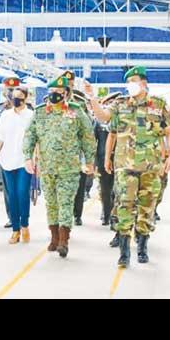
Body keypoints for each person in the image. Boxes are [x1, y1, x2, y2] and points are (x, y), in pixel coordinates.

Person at [86, 66, 170, 268]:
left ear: (144, 83)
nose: (131, 85)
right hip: (125, 166)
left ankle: (142, 247)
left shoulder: (159, 105)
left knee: (147, 208)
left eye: (134, 81)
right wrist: (92, 98)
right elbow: (103, 117)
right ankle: (124, 252)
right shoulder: (120, 105)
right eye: (128, 82)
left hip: (151, 167)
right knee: (124, 206)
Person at [23, 76, 95, 258]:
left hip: (69, 168)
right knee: (51, 204)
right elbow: (29, 135)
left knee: (65, 203)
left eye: (58, 93)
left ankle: (64, 240)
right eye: (52, 92)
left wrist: (89, 161)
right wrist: (27, 158)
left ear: (66, 94)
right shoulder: (40, 112)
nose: (54, 95)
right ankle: (54, 237)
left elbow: (87, 137)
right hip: (47, 167)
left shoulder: (76, 112)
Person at [0, 86, 35, 244]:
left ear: (26, 98)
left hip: (25, 161)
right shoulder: (5, 115)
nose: (16, 100)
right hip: (7, 161)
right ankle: (15, 229)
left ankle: (25, 225)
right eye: (13, 97)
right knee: (12, 196)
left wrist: (37, 160)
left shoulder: (31, 116)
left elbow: (36, 140)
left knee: (23, 193)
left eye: (19, 97)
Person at [60, 70, 94, 227]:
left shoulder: (79, 100)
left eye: (71, 83)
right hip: (58, 150)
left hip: (76, 149)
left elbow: (87, 125)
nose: (69, 86)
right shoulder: (51, 100)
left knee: (79, 183)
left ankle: (77, 213)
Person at [0, 76, 25, 229]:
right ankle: (12, 217)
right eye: (9, 89)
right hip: (4, 154)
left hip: (21, 154)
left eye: (14, 89)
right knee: (8, 189)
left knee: (21, 189)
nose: (11, 92)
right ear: (3, 90)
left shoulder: (28, 109)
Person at [92, 92, 121, 228]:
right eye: (109, 103)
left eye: (114, 102)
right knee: (105, 189)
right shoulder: (98, 122)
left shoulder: (124, 119)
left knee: (119, 190)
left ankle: (115, 217)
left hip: (121, 160)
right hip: (103, 159)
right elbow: (93, 142)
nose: (112, 105)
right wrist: (93, 161)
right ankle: (106, 212)